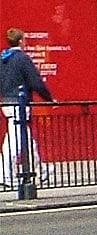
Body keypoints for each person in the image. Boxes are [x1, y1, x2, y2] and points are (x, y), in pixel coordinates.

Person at [0, 28, 54, 187]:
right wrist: (49, 99)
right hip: (20, 104)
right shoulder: (22, 59)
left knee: (27, 141)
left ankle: (42, 170)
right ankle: (5, 176)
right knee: (14, 143)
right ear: (20, 41)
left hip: (7, 103)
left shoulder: (3, 58)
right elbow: (36, 82)